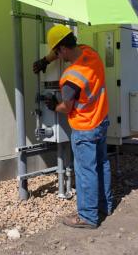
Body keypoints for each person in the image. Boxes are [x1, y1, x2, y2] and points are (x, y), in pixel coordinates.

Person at [33, 24, 113, 229]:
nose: (57, 57)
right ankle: (105, 206)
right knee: (101, 164)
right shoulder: (90, 52)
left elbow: (66, 108)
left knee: (86, 171)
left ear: (62, 49)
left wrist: (53, 105)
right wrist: (45, 61)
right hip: (101, 119)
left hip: (85, 127)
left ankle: (87, 217)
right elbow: (63, 49)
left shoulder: (71, 77)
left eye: (57, 53)